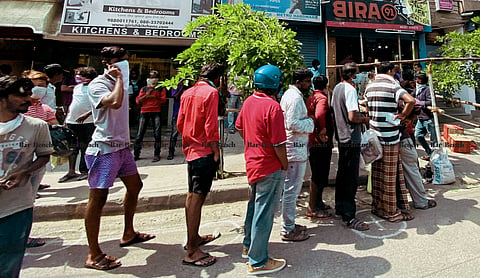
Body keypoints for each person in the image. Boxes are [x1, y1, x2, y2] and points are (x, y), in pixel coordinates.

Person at [84, 46, 155, 271]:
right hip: (104, 149)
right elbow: (114, 102)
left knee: (135, 186)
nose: (126, 64)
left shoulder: (121, 82)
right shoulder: (98, 84)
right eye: (121, 61)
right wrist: (118, 79)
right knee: (98, 198)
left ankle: (128, 233)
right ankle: (93, 253)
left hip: (122, 147)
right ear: (108, 63)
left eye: (127, 61)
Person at [236, 64, 288, 275]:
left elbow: (239, 127)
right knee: (264, 212)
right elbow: (278, 144)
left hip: (253, 162)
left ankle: (248, 245)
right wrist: (285, 164)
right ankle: (257, 261)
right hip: (269, 165)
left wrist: (253, 143)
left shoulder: (249, 101)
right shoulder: (272, 107)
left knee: (254, 207)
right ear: (275, 84)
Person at [0, 78, 53, 277]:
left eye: (29, 94)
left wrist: (25, 172)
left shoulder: (36, 126)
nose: (28, 100)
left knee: (8, 266)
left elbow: (44, 155)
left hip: (17, 207)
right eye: (22, 95)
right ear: (2, 98)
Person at [177, 62, 224, 267]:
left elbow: (180, 122)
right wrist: (216, 150)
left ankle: (193, 238)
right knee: (196, 197)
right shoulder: (211, 93)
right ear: (218, 78)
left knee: (193, 194)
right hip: (204, 151)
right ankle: (192, 250)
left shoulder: (187, 92)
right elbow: (211, 125)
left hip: (192, 149)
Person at [365, 61, 416, 222]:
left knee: (378, 174)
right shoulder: (393, 86)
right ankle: (390, 211)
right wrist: (403, 116)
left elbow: (366, 107)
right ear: (389, 72)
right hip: (390, 137)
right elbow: (411, 101)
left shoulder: (370, 87)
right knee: (390, 175)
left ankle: (377, 207)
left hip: (375, 136)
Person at [331, 62, 370, 231]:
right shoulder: (350, 89)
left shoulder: (337, 88)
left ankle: (340, 207)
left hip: (341, 136)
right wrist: (365, 119)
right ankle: (349, 216)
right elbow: (352, 116)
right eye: (358, 74)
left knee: (342, 175)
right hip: (350, 137)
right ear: (353, 75)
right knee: (350, 178)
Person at [279, 67, 314, 242]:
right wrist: (310, 123)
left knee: (291, 190)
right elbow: (291, 123)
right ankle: (287, 229)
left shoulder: (291, 95)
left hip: (295, 147)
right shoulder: (293, 98)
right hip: (294, 148)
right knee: (291, 191)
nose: (310, 85)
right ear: (298, 82)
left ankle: (289, 224)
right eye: (307, 81)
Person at [59, 67, 97, 182]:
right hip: (72, 121)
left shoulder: (95, 88)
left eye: (80, 75)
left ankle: (85, 170)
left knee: (85, 146)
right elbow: (73, 104)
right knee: (72, 147)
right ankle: (71, 171)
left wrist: (87, 114)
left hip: (88, 122)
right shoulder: (77, 88)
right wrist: (66, 119)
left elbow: (99, 105)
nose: (77, 77)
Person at [305, 75, 334, 220]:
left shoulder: (312, 97)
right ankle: (312, 207)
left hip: (314, 140)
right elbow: (320, 114)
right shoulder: (322, 98)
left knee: (319, 173)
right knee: (319, 174)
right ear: (326, 85)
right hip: (320, 142)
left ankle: (318, 203)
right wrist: (323, 130)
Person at [133, 70, 167, 162]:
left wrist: (155, 97)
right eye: (151, 77)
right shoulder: (144, 89)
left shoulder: (161, 88)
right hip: (144, 111)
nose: (152, 79)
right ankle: (136, 154)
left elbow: (163, 100)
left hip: (156, 111)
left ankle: (157, 154)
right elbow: (138, 101)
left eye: (154, 77)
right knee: (139, 134)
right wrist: (147, 95)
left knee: (157, 134)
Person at [414, 72, 437, 160]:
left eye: (417, 79)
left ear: (420, 80)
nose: (416, 81)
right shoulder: (417, 89)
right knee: (418, 136)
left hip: (428, 118)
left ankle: (435, 157)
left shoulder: (428, 89)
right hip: (420, 117)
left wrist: (420, 103)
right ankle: (429, 153)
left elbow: (431, 102)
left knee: (433, 139)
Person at [167, 81, 188, 160]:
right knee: (174, 134)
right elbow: (175, 96)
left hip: (186, 113)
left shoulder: (189, 88)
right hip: (177, 113)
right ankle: (171, 152)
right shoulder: (175, 87)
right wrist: (180, 87)